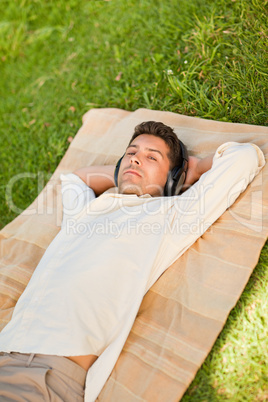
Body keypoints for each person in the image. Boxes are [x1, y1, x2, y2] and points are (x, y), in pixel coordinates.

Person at [0, 121, 265, 402]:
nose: (135, 158)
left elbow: (243, 158)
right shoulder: (89, 211)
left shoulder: (171, 216)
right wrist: (123, 176)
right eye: (131, 153)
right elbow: (76, 180)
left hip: (47, 375)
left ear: (173, 177)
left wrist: (195, 170)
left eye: (152, 157)